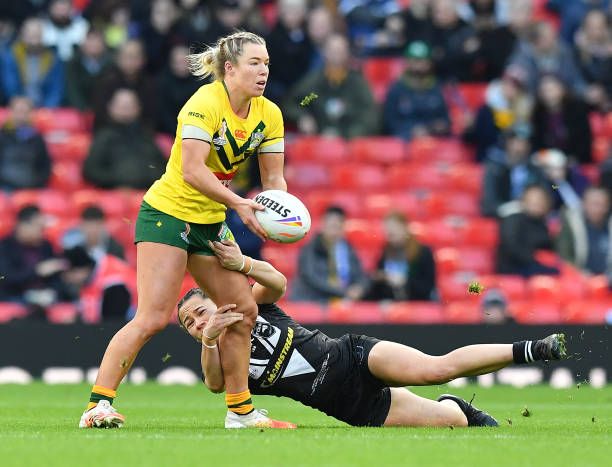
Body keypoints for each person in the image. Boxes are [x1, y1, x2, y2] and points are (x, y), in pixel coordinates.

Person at [79, 31, 295, 430]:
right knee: (153, 317)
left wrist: (278, 212)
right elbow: (193, 171)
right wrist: (239, 204)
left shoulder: (270, 114)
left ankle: (240, 412)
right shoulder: (203, 103)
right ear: (230, 69)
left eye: (266, 63)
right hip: (168, 214)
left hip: (210, 222)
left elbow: (273, 179)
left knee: (243, 311)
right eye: (254, 63)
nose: (263, 70)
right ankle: (97, 405)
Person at [177, 238, 568, 428]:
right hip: (353, 407)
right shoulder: (219, 356)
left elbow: (277, 282)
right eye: (189, 324)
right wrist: (210, 338)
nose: (197, 323)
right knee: (458, 424)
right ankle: (458, 406)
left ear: (214, 300)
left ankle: (533, 348)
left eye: (199, 312)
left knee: (436, 369)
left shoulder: (250, 308)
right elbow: (214, 385)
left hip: (354, 356)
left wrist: (243, 263)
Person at [283, 33, 378, 138]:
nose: (336, 55)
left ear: (347, 54)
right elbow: (296, 104)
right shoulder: (314, 89)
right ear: (324, 53)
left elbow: (369, 115)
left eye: (340, 51)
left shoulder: (357, 85)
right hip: (318, 140)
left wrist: (351, 134)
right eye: (332, 51)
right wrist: (302, 117)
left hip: (349, 141)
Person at [83, 88, 166, 189]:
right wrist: (119, 181)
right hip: (114, 193)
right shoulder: (104, 138)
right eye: (122, 106)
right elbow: (91, 171)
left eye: (129, 106)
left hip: (149, 192)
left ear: (138, 108)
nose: (126, 110)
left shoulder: (146, 136)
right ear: (111, 108)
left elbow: (163, 168)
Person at [292, 206, 368, 303]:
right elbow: (311, 278)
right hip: (312, 301)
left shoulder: (348, 249)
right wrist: (343, 292)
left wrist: (359, 288)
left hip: (341, 302)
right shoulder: (310, 249)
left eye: (338, 227)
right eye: (331, 226)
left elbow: (360, 275)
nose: (334, 232)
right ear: (323, 226)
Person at [0, 205, 67, 315]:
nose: (42, 233)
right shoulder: (5, 247)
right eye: (39, 228)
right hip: (15, 297)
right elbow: (5, 278)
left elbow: (56, 276)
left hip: (45, 298)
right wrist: (37, 271)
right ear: (22, 225)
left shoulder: (46, 246)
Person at [383, 41, 451, 141]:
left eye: (423, 60)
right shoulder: (396, 89)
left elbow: (446, 120)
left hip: (434, 141)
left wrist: (439, 127)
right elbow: (390, 124)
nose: (419, 65)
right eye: (415, 60)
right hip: (405, 142)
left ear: (429, 63)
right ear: (407, 62)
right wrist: (411, 131)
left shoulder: (437, 88)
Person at [364, 212, 436, 301]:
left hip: (415, 301)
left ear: (404, 227)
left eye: (394, 229)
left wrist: (404, 281)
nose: (390, 233)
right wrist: (381, 277)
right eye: (388, 231)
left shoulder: (423, 252)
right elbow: (377, 282)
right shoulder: (385, 250)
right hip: (390, 300)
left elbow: (427, 286)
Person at [479, 125, 544, 218]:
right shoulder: (495, 170)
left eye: (524, 143)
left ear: (529, 146)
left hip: (532, 218)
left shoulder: (536, 170)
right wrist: (509, 208)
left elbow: (552, 190)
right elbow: (488, 204)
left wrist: (557, 182)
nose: (519, 148)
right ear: (507, 144)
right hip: (502, 218)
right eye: (515, 142)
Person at [495, 184, 560, 277]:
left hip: (534, 266)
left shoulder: (542, 223)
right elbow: (511, 246)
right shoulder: (513, 219)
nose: (537, 204)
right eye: (533, 200)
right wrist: (534, 258)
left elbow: (548, 247)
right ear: (524, 200)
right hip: (513, 269)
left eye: (540, 200)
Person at [0, 17, 64, 107]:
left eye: (37, 36)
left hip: (44, 107)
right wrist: (21, 104)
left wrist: (48, 107)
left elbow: (56, 89)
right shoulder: (11, 56)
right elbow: (10, 85)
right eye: (30, 36)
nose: (34, 41)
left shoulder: (52, 58)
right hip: (17, 106)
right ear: (23, 35)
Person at [530, 74, 593, 164]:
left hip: (576, 161)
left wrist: (570, 160)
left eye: (551, 90)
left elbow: (584, 141)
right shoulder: (538, 114)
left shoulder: (576, 110)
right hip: (549, 161)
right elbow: (537, 142)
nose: (548, 95)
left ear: (562, 89)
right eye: (544, 91)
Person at [556, 186, 612, 276]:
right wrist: (581, 274)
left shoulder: (609, 224)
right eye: (594, 204)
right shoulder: (571, 223)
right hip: (579, 278)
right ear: (584, 204)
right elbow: (564, 257)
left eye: (602, 204)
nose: (598, 209)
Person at [0, 95, 51, 191]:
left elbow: (45, 166)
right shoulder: (2, 135)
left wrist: (35, 184)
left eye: (25, 112)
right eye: (18, 111)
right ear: (10, 112)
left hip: (31, 188)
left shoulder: (37, 138)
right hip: (5, 187)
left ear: (31, 114)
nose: (21, 116)